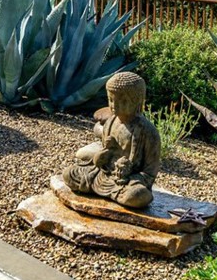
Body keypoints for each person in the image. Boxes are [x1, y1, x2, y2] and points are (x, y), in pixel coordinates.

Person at [63, 71, 161, 208]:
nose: (114, 105)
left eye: (123, 101)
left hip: (127, 181)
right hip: (102, 175)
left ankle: (118, 193)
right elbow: (98, 162)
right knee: (69, 174)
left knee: (138, 195)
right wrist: (102, 156)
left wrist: (127, 175)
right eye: (111, 99)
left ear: (137, 101)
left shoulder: (148, 131)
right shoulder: (110, 122)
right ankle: (109, 193)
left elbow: (150, 172)